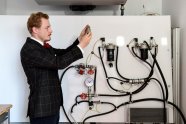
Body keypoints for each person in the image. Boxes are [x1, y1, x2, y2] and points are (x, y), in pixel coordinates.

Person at [20, 12, 92, 124]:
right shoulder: (30, 49)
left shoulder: (42, 47)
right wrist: (81, 46)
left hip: (51, 107)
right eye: (47, 27)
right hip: (42, 110)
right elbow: (59, 63)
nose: (51, 30)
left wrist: (79, 40)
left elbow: (62, 54)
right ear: (35, 30)